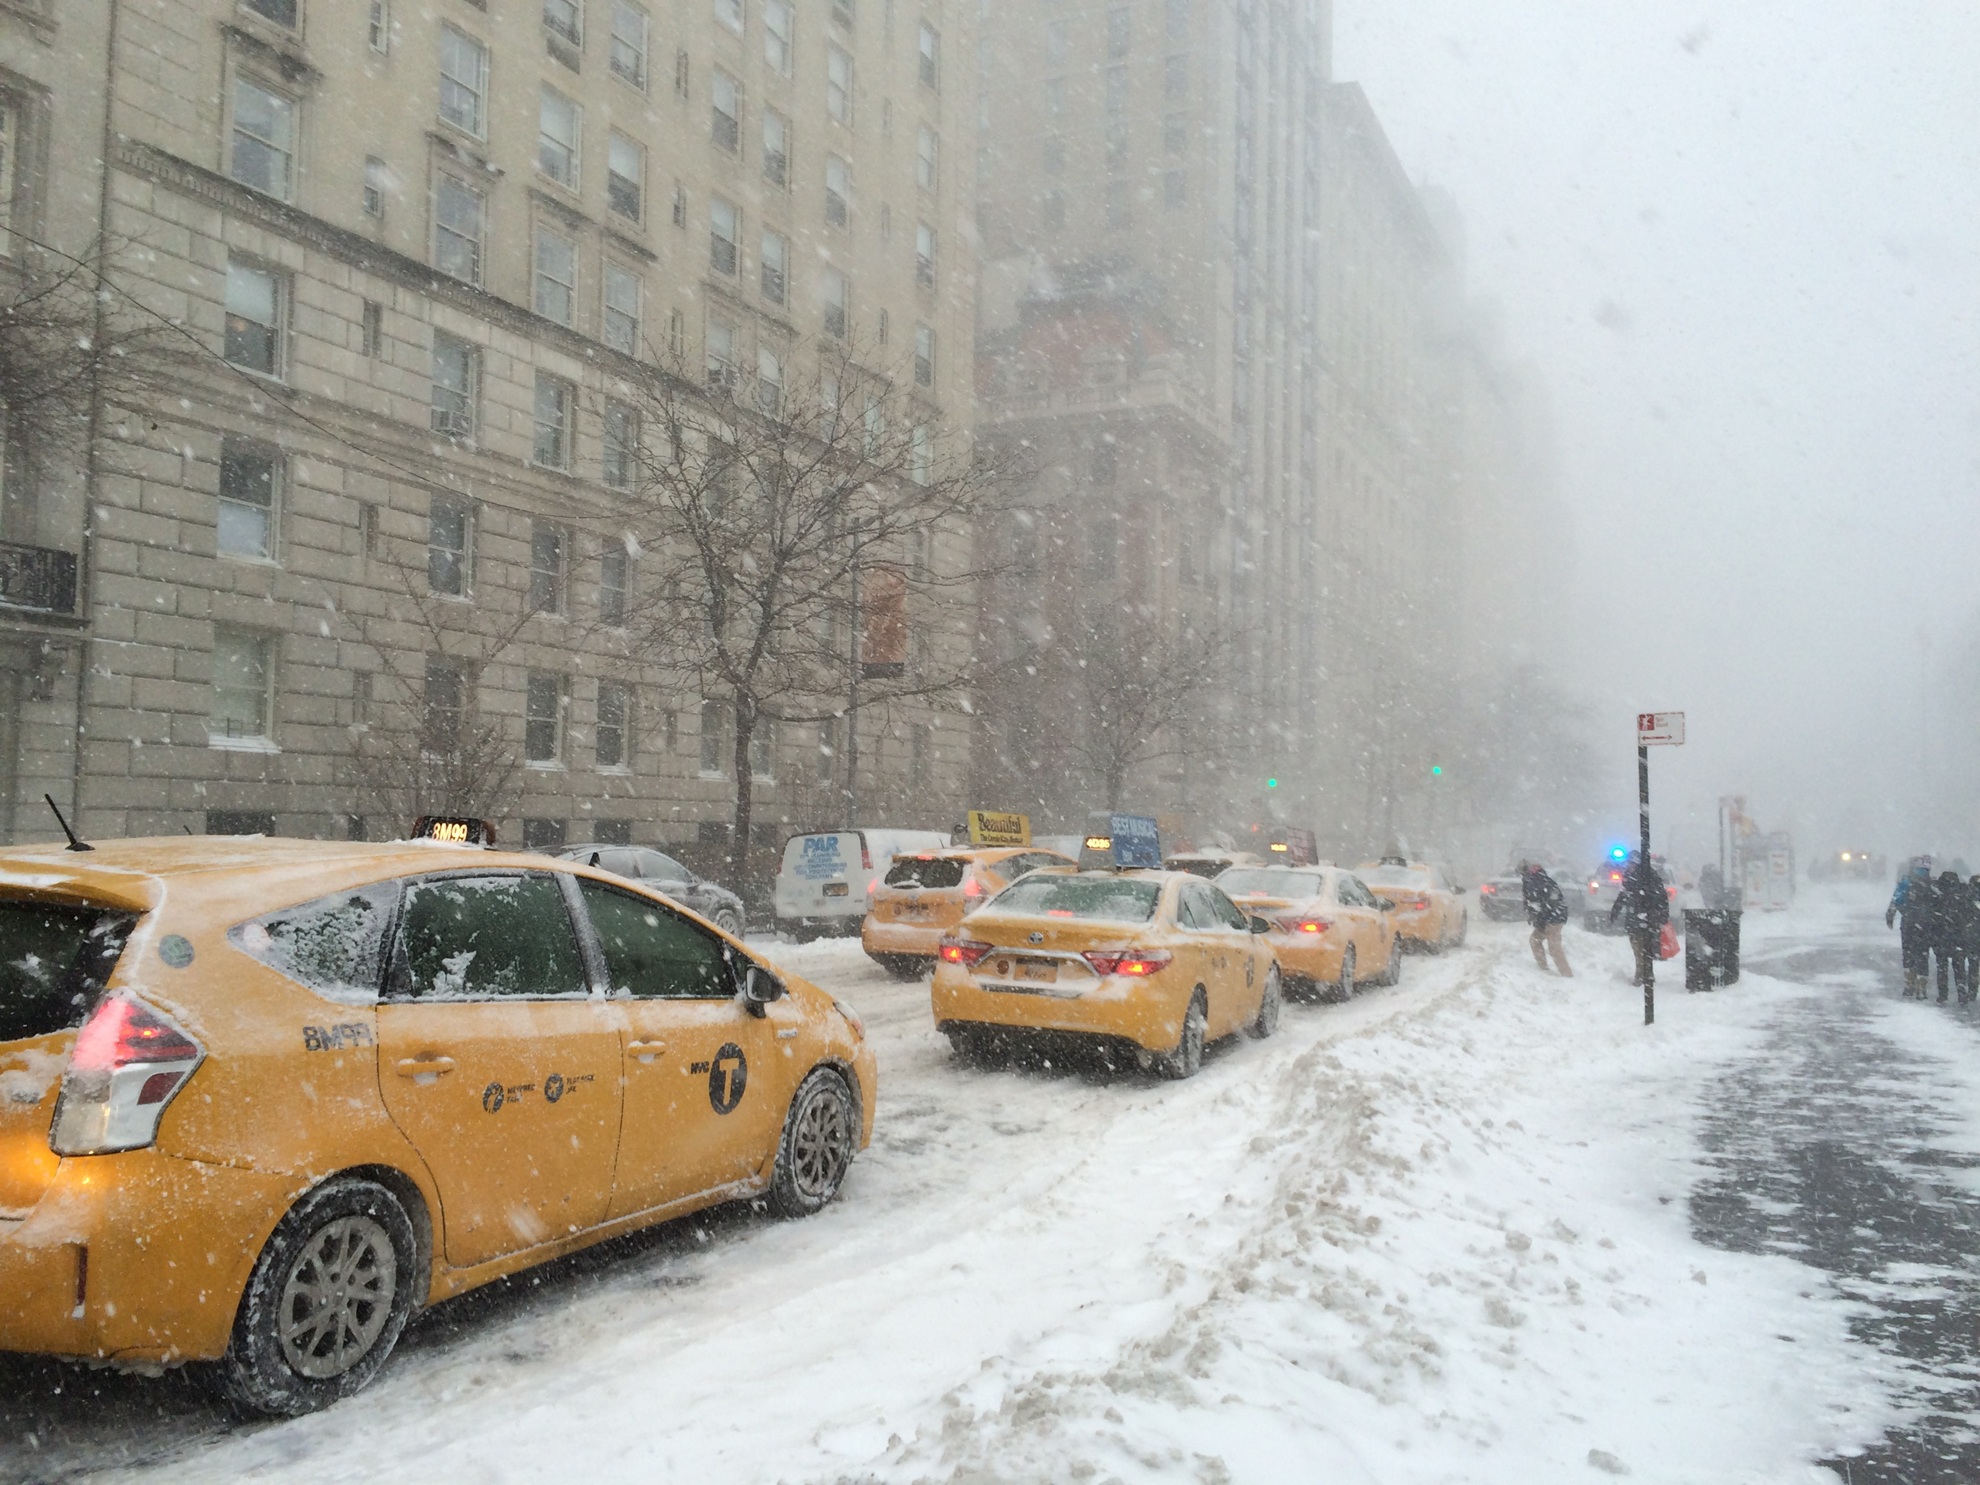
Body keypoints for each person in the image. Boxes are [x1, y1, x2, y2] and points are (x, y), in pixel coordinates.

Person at [1608, 851, 1670, 989]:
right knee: (1643, 948)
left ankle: (1641, 975)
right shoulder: (1649, 876)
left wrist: (1615, 912)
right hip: (1645, 918)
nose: (1628, 866)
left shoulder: (1636, 878)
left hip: (1641, 917)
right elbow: (1661, 897)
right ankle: (1647, 974)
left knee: (1640, 949)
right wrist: (1662, 916)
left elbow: (1624, 896)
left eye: (1630, 863)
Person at [1886, 859, 1935, 999]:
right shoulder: (1931, 884)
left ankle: (1909, 985)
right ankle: (1922, 987)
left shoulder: (1906, 882)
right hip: (1926, 925)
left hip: (1908, 922)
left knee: (1908, 953)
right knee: (1923, 954)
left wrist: (1890, 914)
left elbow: (1896, 899)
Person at [1522, 862, 1572, 976]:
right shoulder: (1537, 882)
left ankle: (1567, 975)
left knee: (1554, 948)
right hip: (1549, 918)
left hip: (1554, 919)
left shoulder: (1540, 883)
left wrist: (1541, 919)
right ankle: (1543, 969)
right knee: (1535, 940)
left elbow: (1546, 904)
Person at [1930, 869, 1966, 1004]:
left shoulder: (1937, 895)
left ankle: (1943, 995)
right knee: (1959, 967)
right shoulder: (1961, 895)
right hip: (1958, 937)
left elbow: (1932, 916)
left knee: (1942, 967)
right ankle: (1962, 993)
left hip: (1941, 936)